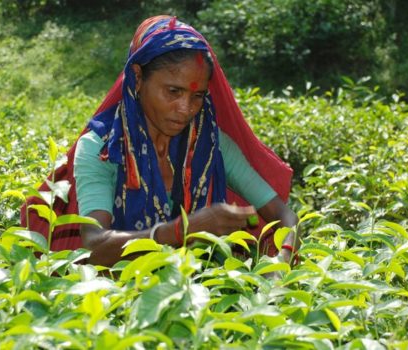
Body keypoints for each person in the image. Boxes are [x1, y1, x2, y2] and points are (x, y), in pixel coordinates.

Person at [21, 16, 299, 267]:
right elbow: (93, 246)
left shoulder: (212, 143)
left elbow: (284, 215)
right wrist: (179, 232)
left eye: (197, 96)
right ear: (138, 78)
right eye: (173, 91)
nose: (185, 109)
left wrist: (282, 259)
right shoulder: (103, 148)